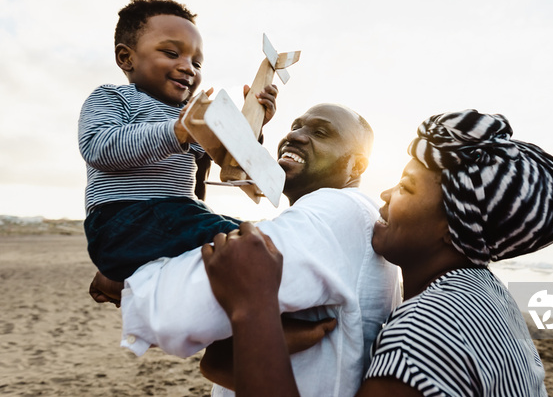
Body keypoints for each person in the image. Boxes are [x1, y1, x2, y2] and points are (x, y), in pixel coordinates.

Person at [201, 109, 553, 396]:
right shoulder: (486, 293)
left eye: (406, 187)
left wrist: (252, 310)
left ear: (454, 226)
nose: (385, 196)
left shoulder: (426, 332)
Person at [93, 103, 402, 397]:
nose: (294, 135)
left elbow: (180, 312)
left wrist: (121, 282)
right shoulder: (339, 220)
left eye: (320, 133)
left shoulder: (338, 209)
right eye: (295, 126)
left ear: (357, 165)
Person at [78, 0, 278, 281]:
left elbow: (231, 161)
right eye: (172, 53)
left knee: (264, 238)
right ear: (126, 57)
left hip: (179, 215)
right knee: (245, 243)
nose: (188, 68)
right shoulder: (113, 97)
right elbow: (99, 147)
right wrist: (177, 132)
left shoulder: (189, 116)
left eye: (196, 62)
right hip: (123, 222)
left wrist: (253, 126)